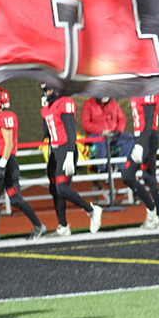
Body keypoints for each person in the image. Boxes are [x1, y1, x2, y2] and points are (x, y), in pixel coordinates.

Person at [40, 83, 103, 237]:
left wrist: (69, 153)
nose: (47, 92)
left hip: (66, 150)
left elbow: (70, 131)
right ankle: (62, 226)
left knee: (62, 188)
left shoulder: (65, 102)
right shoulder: (47, 107)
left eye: (49, 89)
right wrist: (44, 113)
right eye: (45, 90)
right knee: (55, 190)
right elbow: (46, 133)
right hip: (54, 151)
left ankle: (92, 210)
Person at [0, 87, 45, 242]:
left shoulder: (5, 116)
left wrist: (2, 165)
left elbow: (9, 144)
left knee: (15, 200)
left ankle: (38, 225)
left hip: (7, 163)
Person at [119, 95, 159, 229]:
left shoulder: (148, 90)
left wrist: (140, 144)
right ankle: (154, 210)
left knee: (146, 177)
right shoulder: (138, 89)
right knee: (132, 177)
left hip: (147, 139)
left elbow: (149, 121)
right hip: (141, 138)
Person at [80, 97, 134, 173]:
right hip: (96, 135)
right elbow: (85, 124)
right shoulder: (88, 104)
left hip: (113, 134)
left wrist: (118, 131)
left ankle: (120, 166)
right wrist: (102, 131)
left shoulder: (113, 103)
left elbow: (122, 118)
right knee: (102, 140)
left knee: (130, 139)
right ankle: (101, 168)